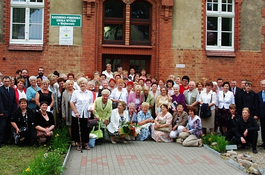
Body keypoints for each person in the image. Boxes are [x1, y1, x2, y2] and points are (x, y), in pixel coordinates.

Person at [70, 77, 93, 151]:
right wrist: (75, 112)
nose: (82, 85)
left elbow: (91, 103)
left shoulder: (90, 93)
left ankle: (85, 144)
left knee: (86, 129)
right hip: (77, 114)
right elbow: (72, 102)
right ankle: (79, 144)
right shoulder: (75, 92)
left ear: (86, 84)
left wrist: (91, 108)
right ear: (79, 85)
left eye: (84, 83)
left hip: (86, 114)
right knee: (77, 129)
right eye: (81, 83)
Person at [0, 76, 17, 147]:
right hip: (3, 111)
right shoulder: (0, 90)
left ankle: (6, 140)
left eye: (8, 81)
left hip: (11, 111)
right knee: (2, 126)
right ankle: (0, 140)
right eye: (5, 81)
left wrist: (14, 111)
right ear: (2, 82)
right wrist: (1, 111)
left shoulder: (12, 90)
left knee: (8, 126)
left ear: (10, 82)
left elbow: (14, 101)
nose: (6, 83)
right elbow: (0, 101)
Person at [61, 80, 75, 146]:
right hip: (68, 110)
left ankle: (76, 139)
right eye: (68, 84)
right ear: (66, 85)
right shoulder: (64, 93)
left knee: (76, 125)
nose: (70, 85)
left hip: (75, 110)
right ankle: (72, 139)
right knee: (70, 125)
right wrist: (63, 114)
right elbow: (63, 104)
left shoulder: (76, 92)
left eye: (71, 84)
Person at [257, 79, 265, 148]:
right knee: (263, 128)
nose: (263, 86)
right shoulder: (259, 94)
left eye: (264, 84)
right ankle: (263, 142)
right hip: (262, 114)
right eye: (262, 85)